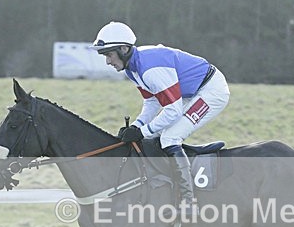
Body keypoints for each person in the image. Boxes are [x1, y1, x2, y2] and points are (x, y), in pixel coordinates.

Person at [90, 21, 230, 217]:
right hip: (191, 92)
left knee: (170, 137)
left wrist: (142, 131)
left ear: (124, 49)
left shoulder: (149, 69)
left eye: (109, 54)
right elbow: (152, 102)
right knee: (152, 136)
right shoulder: (132, 68)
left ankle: (189, 202)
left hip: (211, 91)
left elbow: (173, 110)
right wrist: (138, 126)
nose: (107, 61)